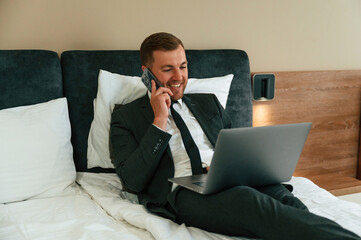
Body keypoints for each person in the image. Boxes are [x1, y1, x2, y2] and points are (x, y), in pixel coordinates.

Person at [109, 32, 360, 240]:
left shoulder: (209, 103)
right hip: (184, 192)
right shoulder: (126, 117)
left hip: (228, 176)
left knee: (289, 202)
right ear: (146, 72)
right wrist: (159, 120)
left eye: (183, 66)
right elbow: (132, 181)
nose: (178, 77)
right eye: (167, 69)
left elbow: (238, 147)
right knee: (251, 202)